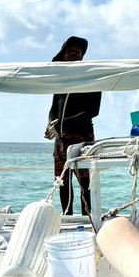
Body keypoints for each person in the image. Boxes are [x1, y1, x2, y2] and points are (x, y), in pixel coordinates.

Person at [46, 36, 102, 216]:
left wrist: (61, 124)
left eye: (78, 52)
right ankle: (67, 216)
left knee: (86, 182)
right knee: (62, 180)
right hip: (61, 138)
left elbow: (92, 111)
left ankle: (89, 218)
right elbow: (54, 107)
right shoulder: (60, 81)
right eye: (70, 51)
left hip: (83, 136)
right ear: (62, 56)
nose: (75, 53)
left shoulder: (92, 78)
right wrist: (50, 125)